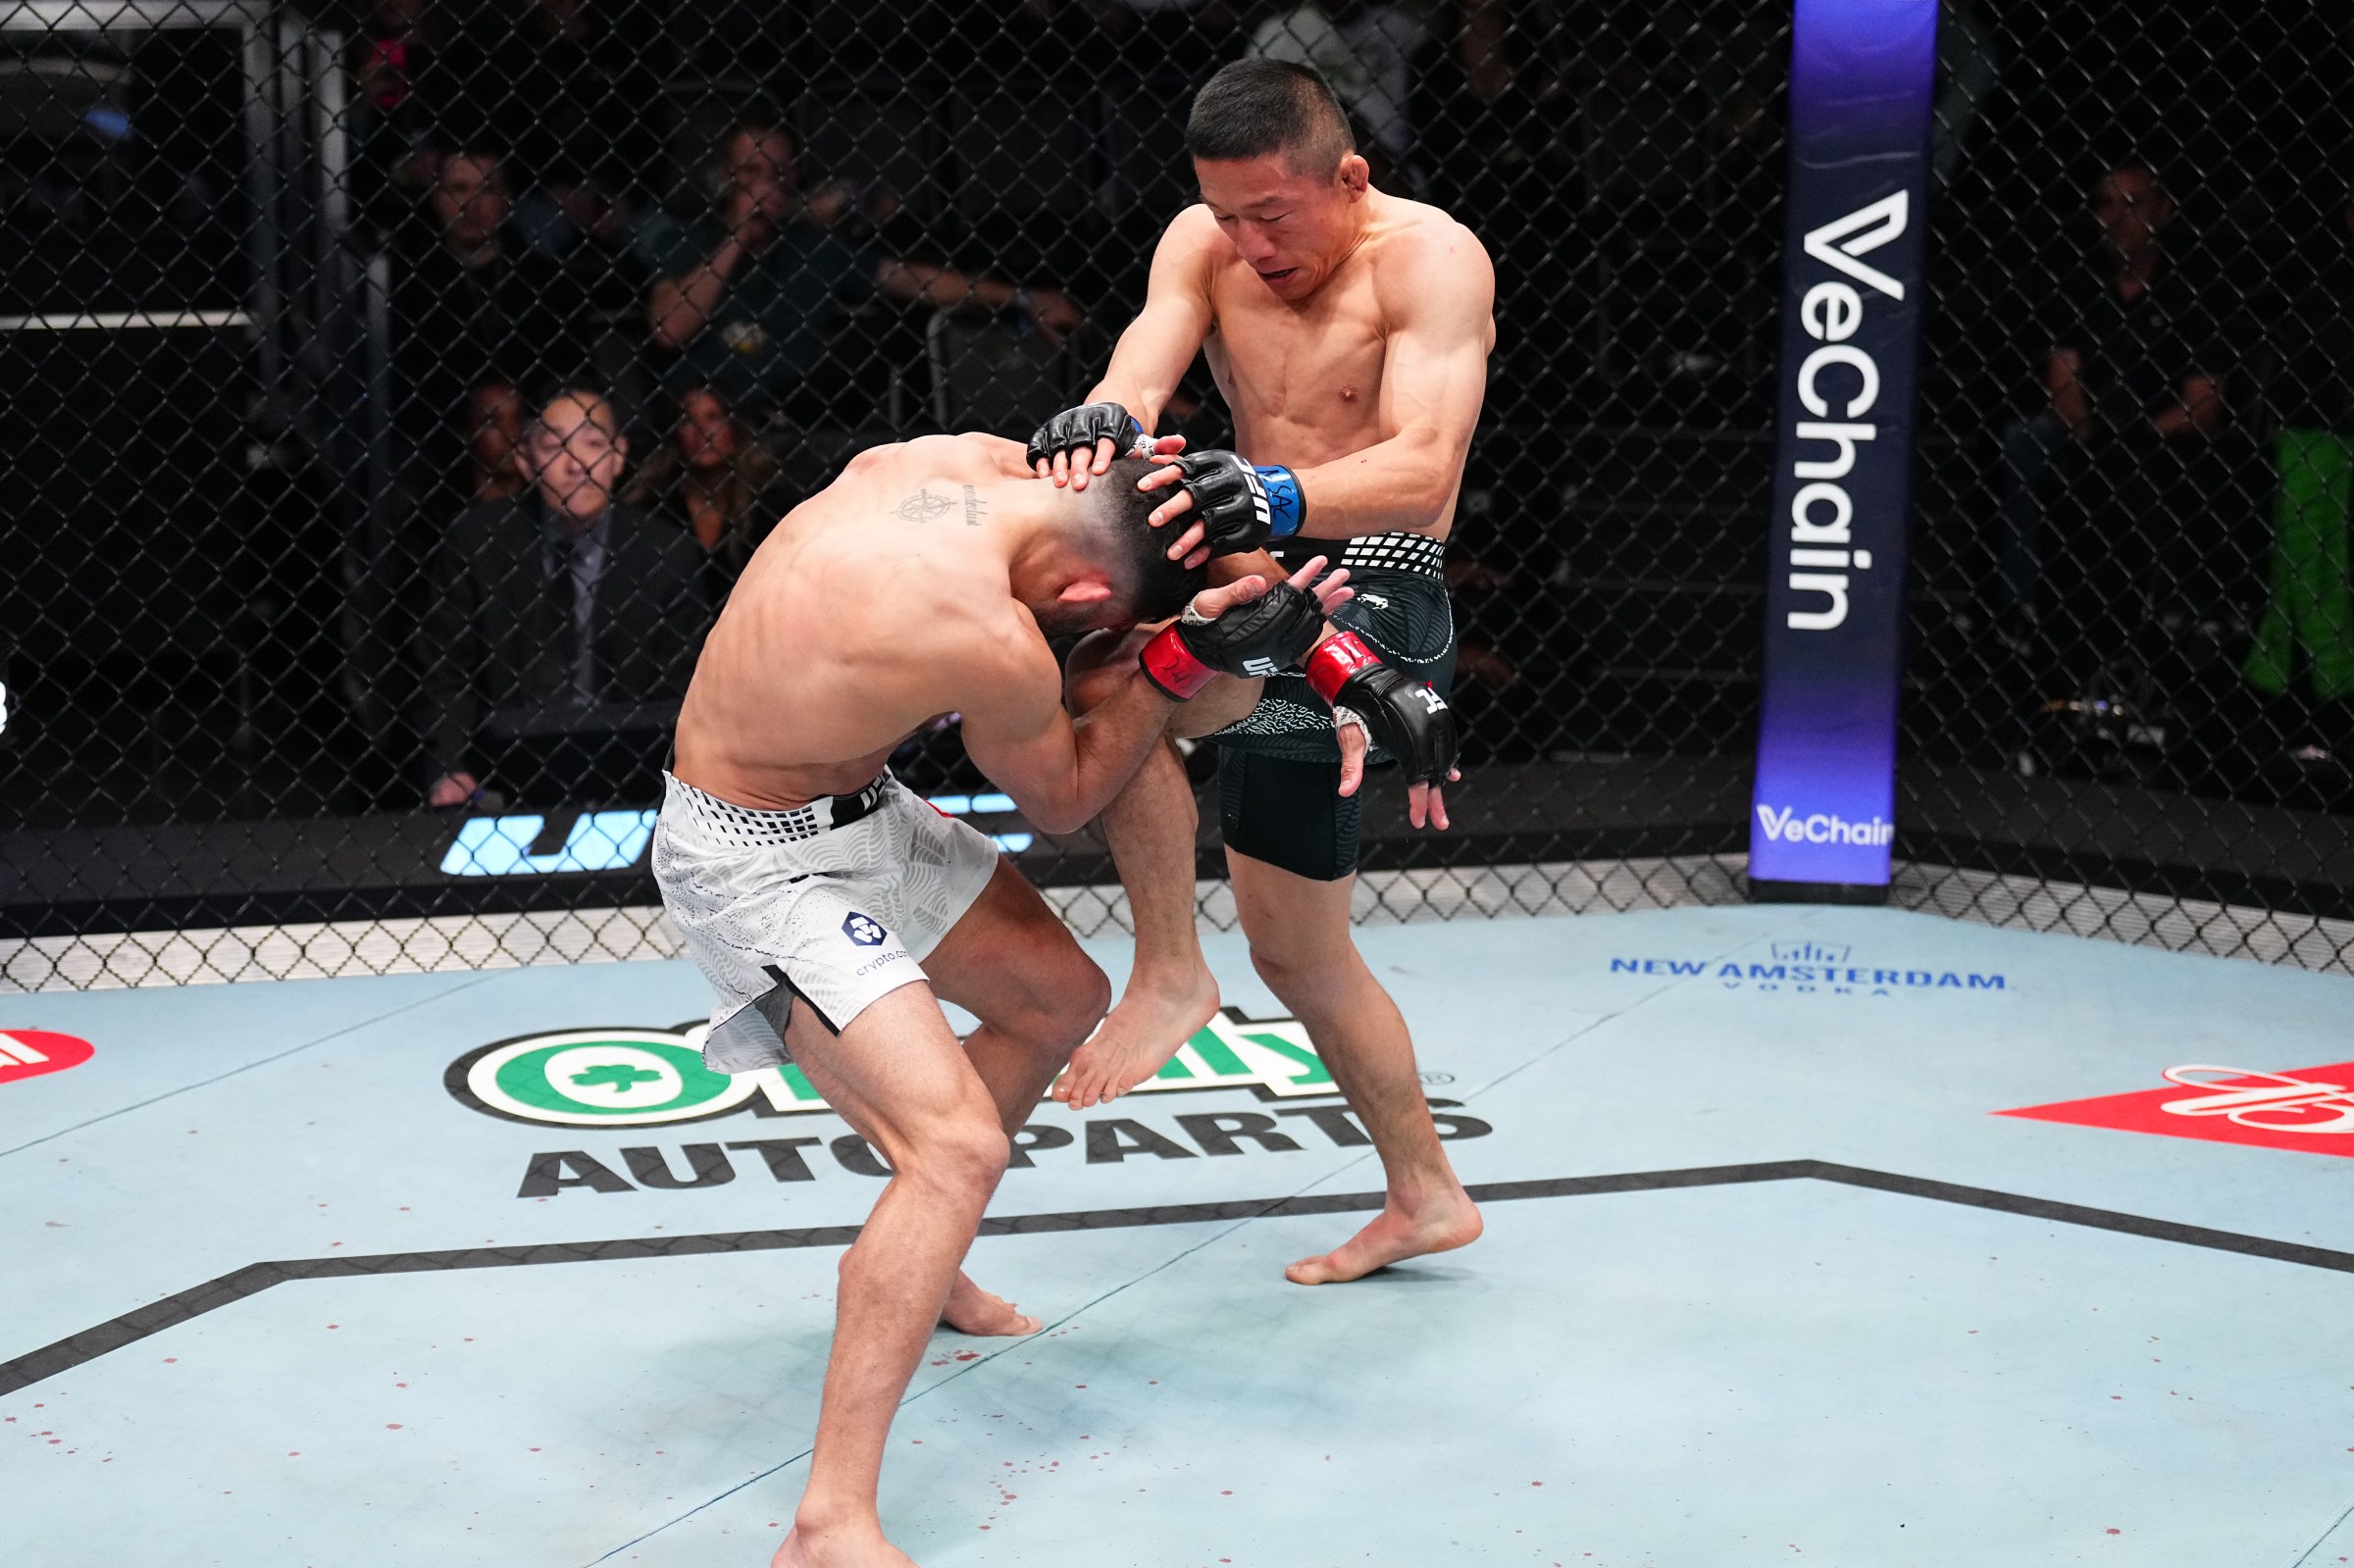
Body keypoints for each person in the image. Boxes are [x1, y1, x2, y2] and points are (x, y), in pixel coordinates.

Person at [652, 430, 1351, 1566]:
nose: (1091, 639)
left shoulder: (954, 460)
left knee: (1057, 997)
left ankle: (921, 1267)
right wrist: (1174, 664)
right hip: (750, 857)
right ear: (1085, 600)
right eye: (1102, 626)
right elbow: (1068, 795)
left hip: (860, 805)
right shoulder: (986, 637)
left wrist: (1276, 621)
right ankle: (829, 1523)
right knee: (955, 1152)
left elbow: (1147, 496)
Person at [1028, 58, 1492, 1286]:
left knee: (1129, 684)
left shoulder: (1431, 259)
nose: (1249, 244)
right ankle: (1428, 1194)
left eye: (1273, 216)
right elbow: (1140, 371)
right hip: (1253, 566)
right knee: (1297, 954)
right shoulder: (1206, 241)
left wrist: (1278, 491)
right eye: (1227, 215)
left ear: (1352, 177)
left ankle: (1173, 972)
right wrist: (1105, 419)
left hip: (1379, 585)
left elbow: (1426, 467)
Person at [642, 119, 1084, 423]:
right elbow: (669, 329)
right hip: (702, 417)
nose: (765, 184)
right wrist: (739, 236)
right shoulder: (689, 239)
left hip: (788, 419)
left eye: (777, 172)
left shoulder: (813, 246)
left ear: (794, 177)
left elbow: (913, 279)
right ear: (726, 176)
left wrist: (1022, 297)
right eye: (751, 171)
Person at [416, 388, 708, 808]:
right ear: (525, 460)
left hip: (636, 766)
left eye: (593, 443)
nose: (577, 464)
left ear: (618, 455)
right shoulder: (478, 542)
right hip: (503, 768)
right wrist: (449, 767)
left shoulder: (665, 553)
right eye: (555, 447)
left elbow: (681, 685)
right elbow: (447, 671)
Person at [622, 383, 821, 580]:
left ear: (735, 427)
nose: (702, 431)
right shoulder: (652, 504)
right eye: (687, 420)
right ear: (675, 433)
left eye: (713, 417)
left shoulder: (770, 504)